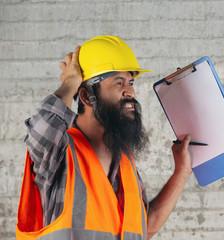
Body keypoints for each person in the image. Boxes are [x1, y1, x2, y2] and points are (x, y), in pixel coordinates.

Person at [16, 35, 192, 240]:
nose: (130, 91)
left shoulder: (124, 160)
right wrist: (70, 82)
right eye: (119, 82)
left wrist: (182, 172)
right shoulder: (60, 151)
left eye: (131, 82)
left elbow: (145, 227)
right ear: (84, 96)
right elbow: (42, 126)